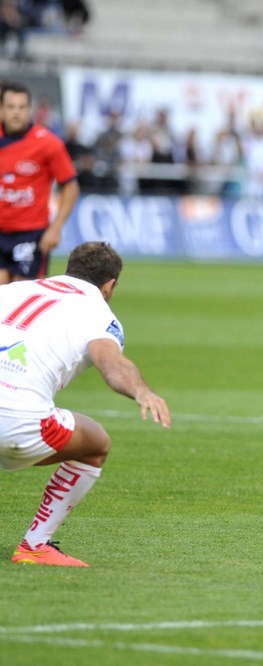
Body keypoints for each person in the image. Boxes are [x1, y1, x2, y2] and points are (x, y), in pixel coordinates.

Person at [2, 241, 171, 567]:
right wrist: (142, 391)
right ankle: (35, 545)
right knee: (96, 444)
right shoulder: (99, 315)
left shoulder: (13, 290)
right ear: (110, 285)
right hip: (16, 426)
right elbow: (112, 364)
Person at [0, 81, 80, 285]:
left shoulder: (47, 144)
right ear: (1, 109)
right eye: (10, 107)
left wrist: (56, 226)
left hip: (31, 233)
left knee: (21, 296)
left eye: (22, 107)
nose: (16, 113)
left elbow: (70, 186)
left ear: (30, 110)